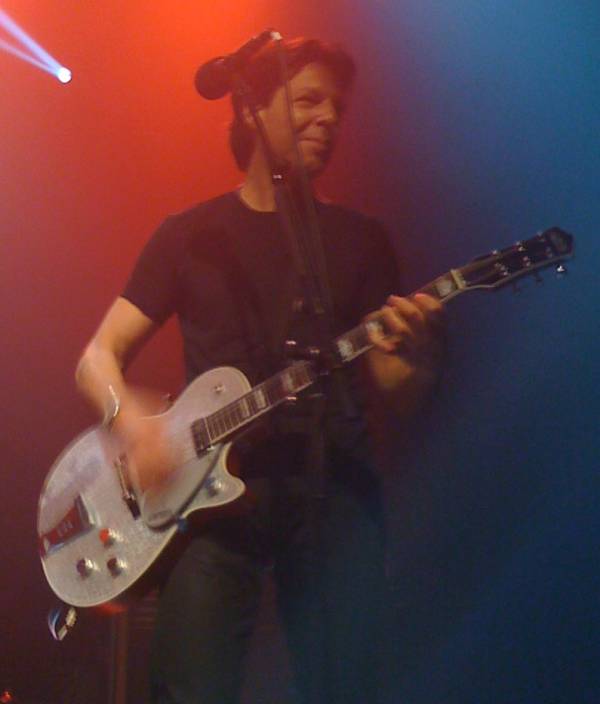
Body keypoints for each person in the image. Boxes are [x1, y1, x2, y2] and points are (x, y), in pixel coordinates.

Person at [75, 37, 445, 704]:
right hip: (211, 502)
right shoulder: (191, 235)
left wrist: (418, 356)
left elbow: (401, 396)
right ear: (253, 112)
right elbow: (97, 357)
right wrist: (134, 426)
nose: (328, 118)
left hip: (336, 491)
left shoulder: (362, 240)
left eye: (337, 107)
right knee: (188, 687)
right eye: (308, 100)